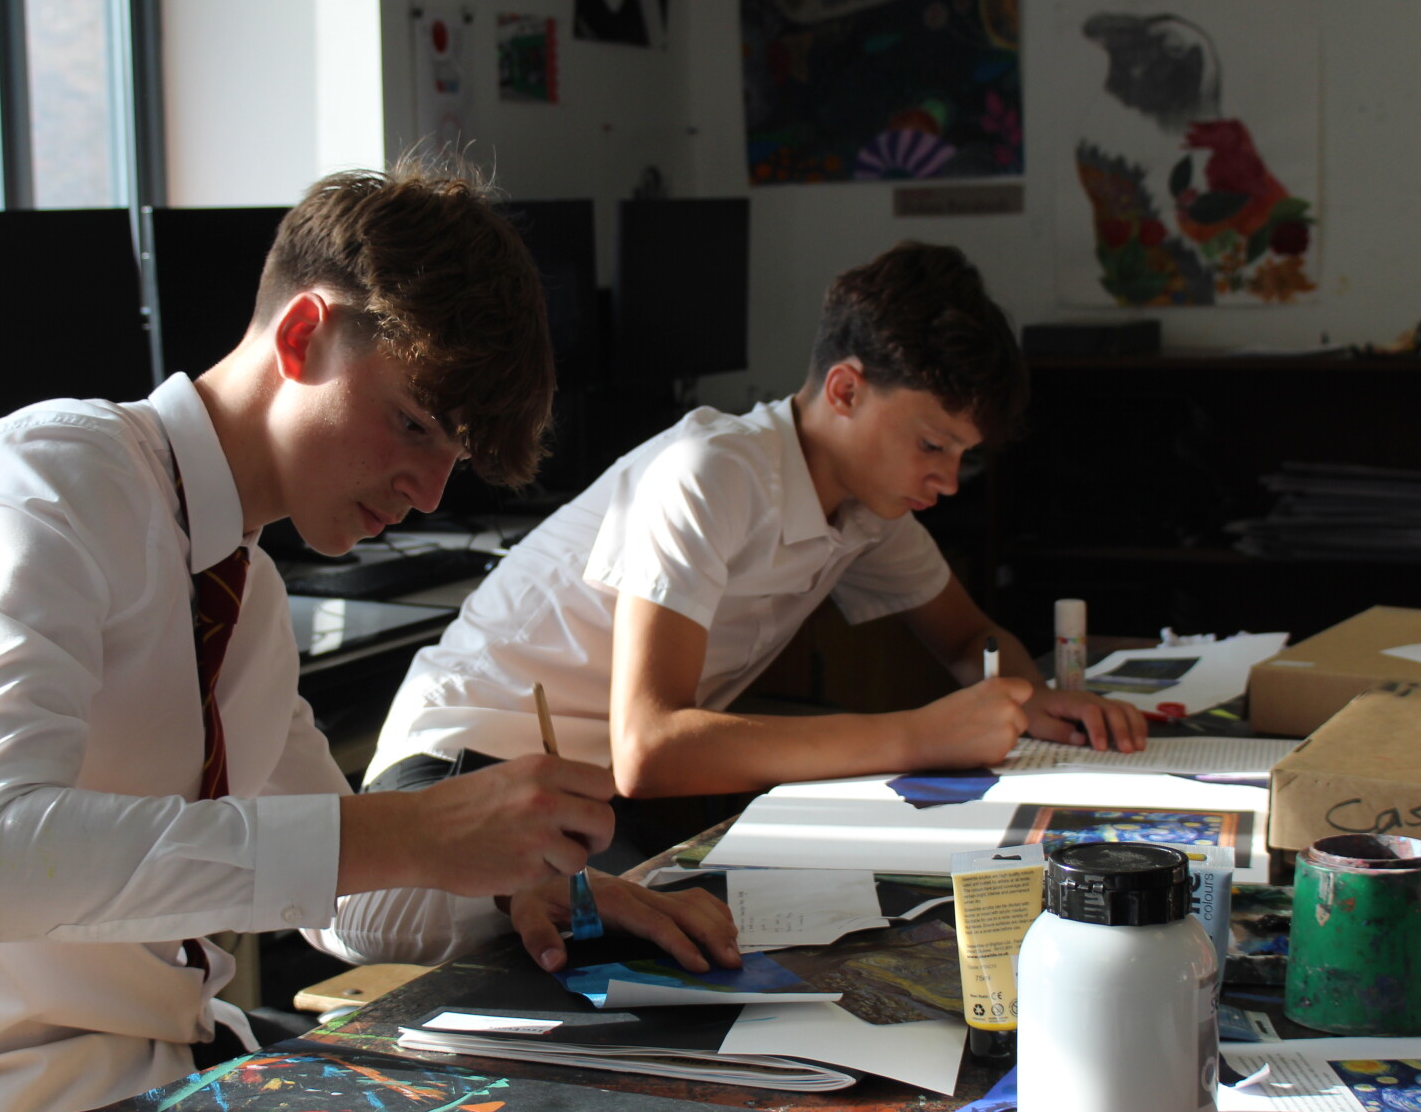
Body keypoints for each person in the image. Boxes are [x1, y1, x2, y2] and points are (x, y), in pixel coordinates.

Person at [0, 161, 738, 1112]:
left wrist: (516, 889)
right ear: (302, 335)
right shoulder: (40, 496)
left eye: (452, 454)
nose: (429, 490)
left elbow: (342, 895)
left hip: (158, 1095)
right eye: (413, 423)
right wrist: (410, 829)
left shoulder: (245, 590)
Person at [363, 241, 1147, 863]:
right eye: (933, 444)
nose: (947, 479)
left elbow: (967, 637)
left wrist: (1030, 697)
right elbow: (650, 748)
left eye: (963, 455)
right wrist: (923, 733)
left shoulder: (867, 514)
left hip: (566, 799)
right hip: (444, 788)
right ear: (845, 390)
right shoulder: (710, 471)